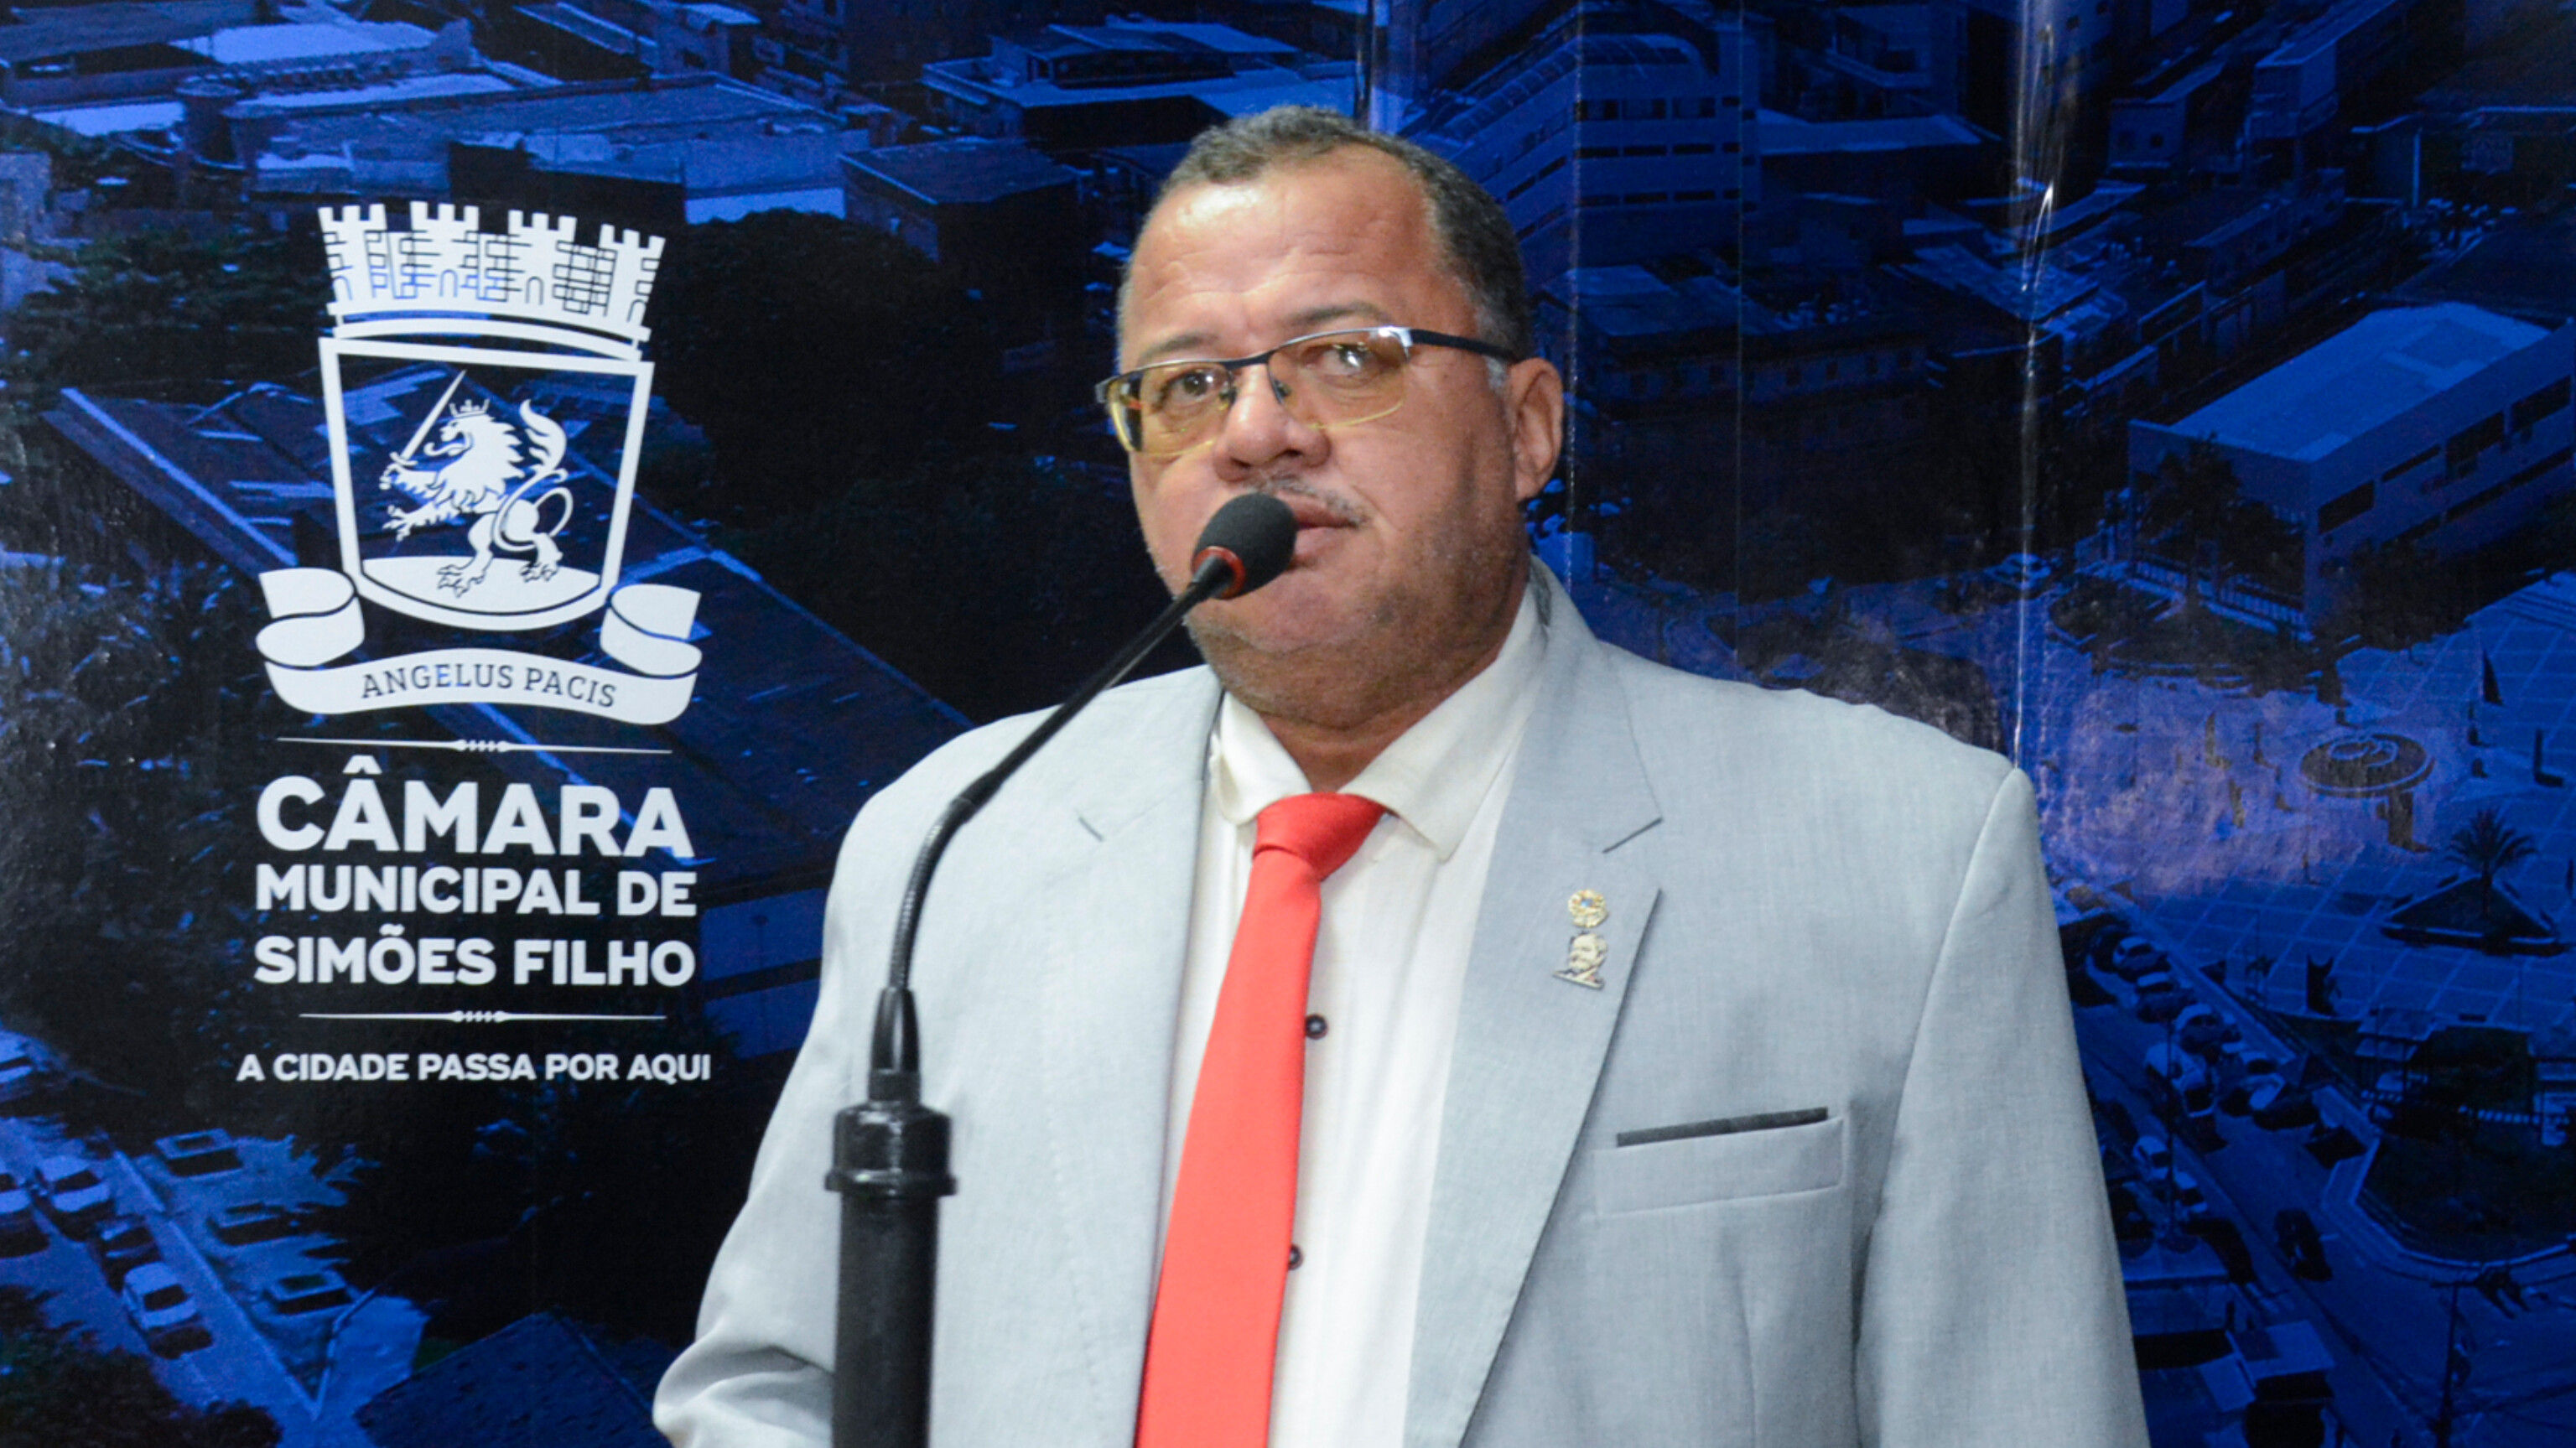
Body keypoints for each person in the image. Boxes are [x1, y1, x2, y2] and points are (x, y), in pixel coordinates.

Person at [657, 106, 2147, 1448]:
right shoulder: (955, 840)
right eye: (1186, 386)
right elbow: (772, 1387)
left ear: (1526, 427)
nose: (1257, 432)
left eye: (1348, 358)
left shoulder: (1901, 854)